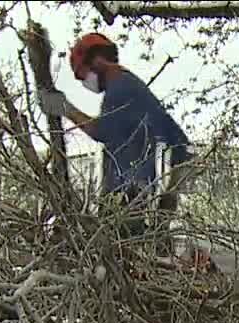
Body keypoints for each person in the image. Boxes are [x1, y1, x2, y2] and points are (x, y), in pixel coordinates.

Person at [38, 32, 194, 222]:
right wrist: (169, 194)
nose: (85, 82)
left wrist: (65, 108)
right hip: (137, 195)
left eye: (82, 74)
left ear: (96, 61)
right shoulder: (135, 89)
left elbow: (102, 131)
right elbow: (181, 144)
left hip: (126, 195)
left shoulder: (121, 87)